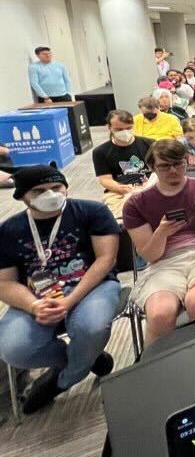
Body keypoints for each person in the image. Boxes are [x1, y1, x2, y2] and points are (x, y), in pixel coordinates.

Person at [0, 166, 120, 414]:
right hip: (37, 297)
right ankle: (90, 357)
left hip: (92, 287)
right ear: (23, 196)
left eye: (56, 188)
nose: (51, 194)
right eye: (40, 191)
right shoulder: (9, 230)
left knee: (91, 327)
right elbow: (5, 283)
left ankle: (61, 381)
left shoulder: (91, 211)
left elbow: (105, 260)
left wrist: (70, 300)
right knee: (13, 349)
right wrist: (33, 305)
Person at [122, 140, 195, 344]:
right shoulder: (135, 205)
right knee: (159, 314)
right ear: (152, 167)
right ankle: (158, 368)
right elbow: (150, 256)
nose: (173, 170)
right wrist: (161, 233)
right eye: (165, 166)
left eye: (179, 163)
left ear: (187, 161)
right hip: (163, 262)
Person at [93, 110, 154, 218]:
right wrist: (122, 189)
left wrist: (149, 184)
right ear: (109, 128)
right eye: (119, 129)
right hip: (118, 191)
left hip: (149, 185)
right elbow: (105, 179)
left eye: (128, 128)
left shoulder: (150, 144)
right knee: (119, 218)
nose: (125, 132)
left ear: (133, 126)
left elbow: (160, 170)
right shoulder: (100, 151)